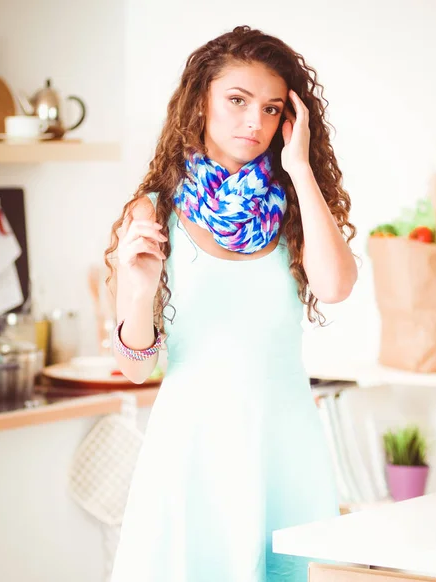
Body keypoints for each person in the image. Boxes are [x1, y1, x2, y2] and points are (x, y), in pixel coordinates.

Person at [105, 25, 357, 582]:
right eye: (237, 101)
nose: (254, 122)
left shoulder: (294, 209)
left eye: (271, 109)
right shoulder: (151, 213)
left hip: (286, 452)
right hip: (191, 454)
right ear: (201, 103)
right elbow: (134, 366)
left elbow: (336, 286)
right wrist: (141, 288)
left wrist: (300, 169)